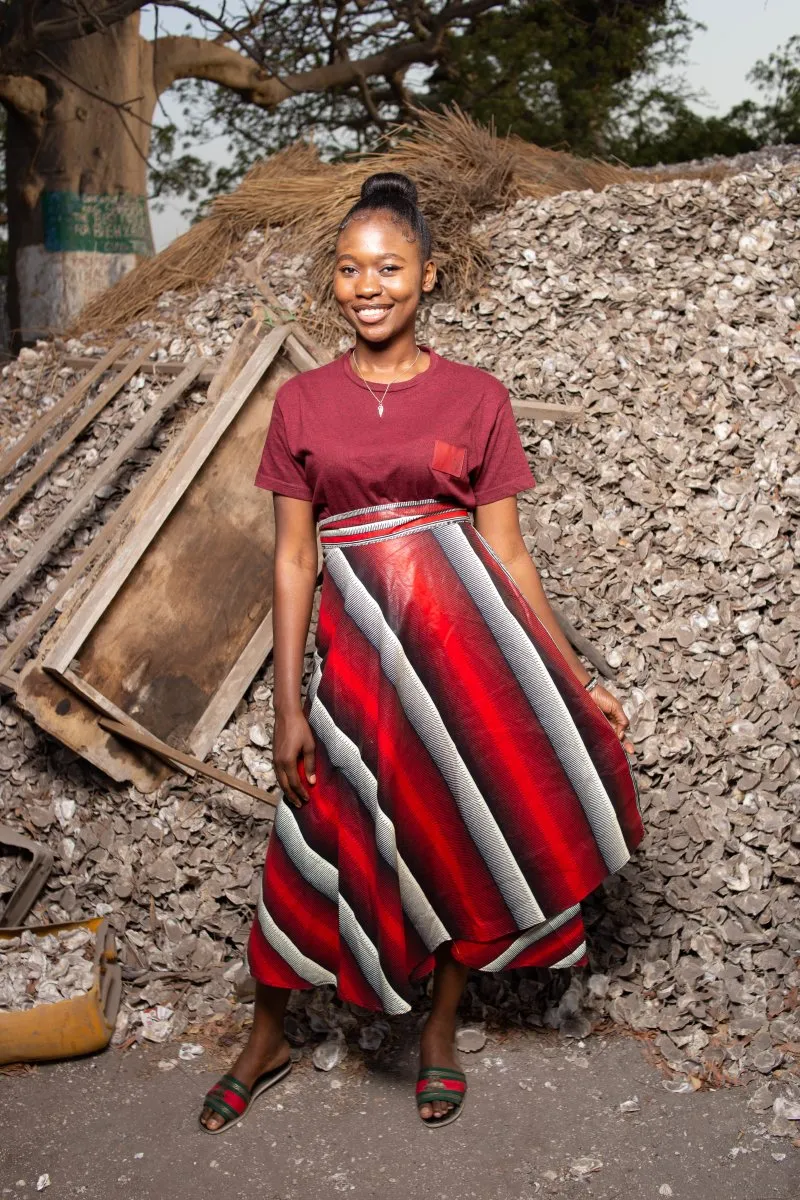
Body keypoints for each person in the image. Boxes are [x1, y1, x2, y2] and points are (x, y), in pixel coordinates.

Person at [199, 172, 644, 1134]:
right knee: (313, 841)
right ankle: (267, 1034)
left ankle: (441, 1031)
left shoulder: (477, 397)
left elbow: (509, 554)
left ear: (427, 276)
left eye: (390, 267)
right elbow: (291, 558)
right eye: (353, 269)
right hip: (356, 664)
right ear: (335, 281)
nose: (370, 285)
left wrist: (575, 681)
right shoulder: (304, 405)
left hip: (464, 659)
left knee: (455, 834)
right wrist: (286, 708)